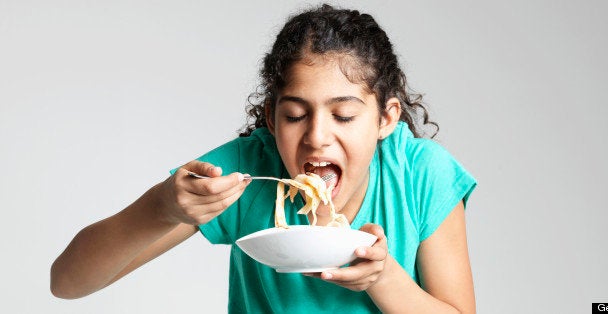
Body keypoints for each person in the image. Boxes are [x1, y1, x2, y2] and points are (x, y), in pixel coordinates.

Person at [51, 4, 477, 313]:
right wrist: (161, 207)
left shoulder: (423, 175)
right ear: (272, 119)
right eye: (295, 115)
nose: (316, 137)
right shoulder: (247, 171)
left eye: (344, 115)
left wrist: (383, 278)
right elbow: (67, 283)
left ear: (386, 119)